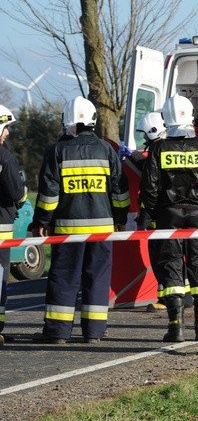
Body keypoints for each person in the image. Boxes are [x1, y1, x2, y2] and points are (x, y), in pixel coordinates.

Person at [31, 96, 129, 344]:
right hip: (102, 229)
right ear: (94, 120)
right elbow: (119, 191)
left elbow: (49, 194)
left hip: (67, 230)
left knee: (64, 278)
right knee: (97, 278)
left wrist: (42, 221)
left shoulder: (57, 151)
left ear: (67, 120)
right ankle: (94, 333)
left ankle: (57, 333)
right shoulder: (107, 150)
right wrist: (120, 219)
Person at [140, 95, 198, 343]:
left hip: (168, 215)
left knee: (171, 269)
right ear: (189, 115)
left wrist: (158, 213)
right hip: (197, 214)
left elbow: (148, 189)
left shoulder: (158, 148)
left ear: (166, 119)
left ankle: (176, 329)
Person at [124, 112, 172, 312]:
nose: (144, 138)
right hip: (171, 213)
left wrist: (144, 217)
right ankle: (180, 296)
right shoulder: (167, 148)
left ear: (152, 132)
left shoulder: (156, 150)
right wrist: (133, 155)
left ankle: (167, 299)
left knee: (161, 257)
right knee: (173, 255)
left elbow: (150, 183)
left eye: (145, 135)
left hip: (157, 214)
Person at [0, 105, 27, 347]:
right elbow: (17, 193)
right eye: (6, 127)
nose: (7, 133)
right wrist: (23, 196)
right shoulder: (4, 157)